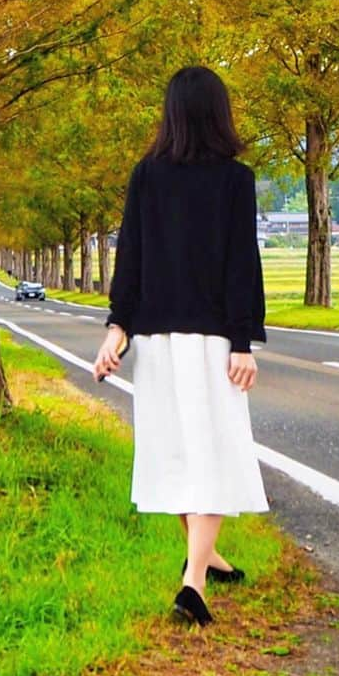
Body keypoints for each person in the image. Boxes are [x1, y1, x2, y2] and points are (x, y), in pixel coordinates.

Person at [93, 65, 269, 627]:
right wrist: (243, 341)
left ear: (170, 113)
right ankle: (193, 583)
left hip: (158, 342)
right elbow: (243, 266)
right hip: (214, 340)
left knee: (175, 452)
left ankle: (207, 556)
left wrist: (117, 329)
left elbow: (132, 260)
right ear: (219, 113)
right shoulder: (235, 180)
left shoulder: (146, 175)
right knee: (214, 451)